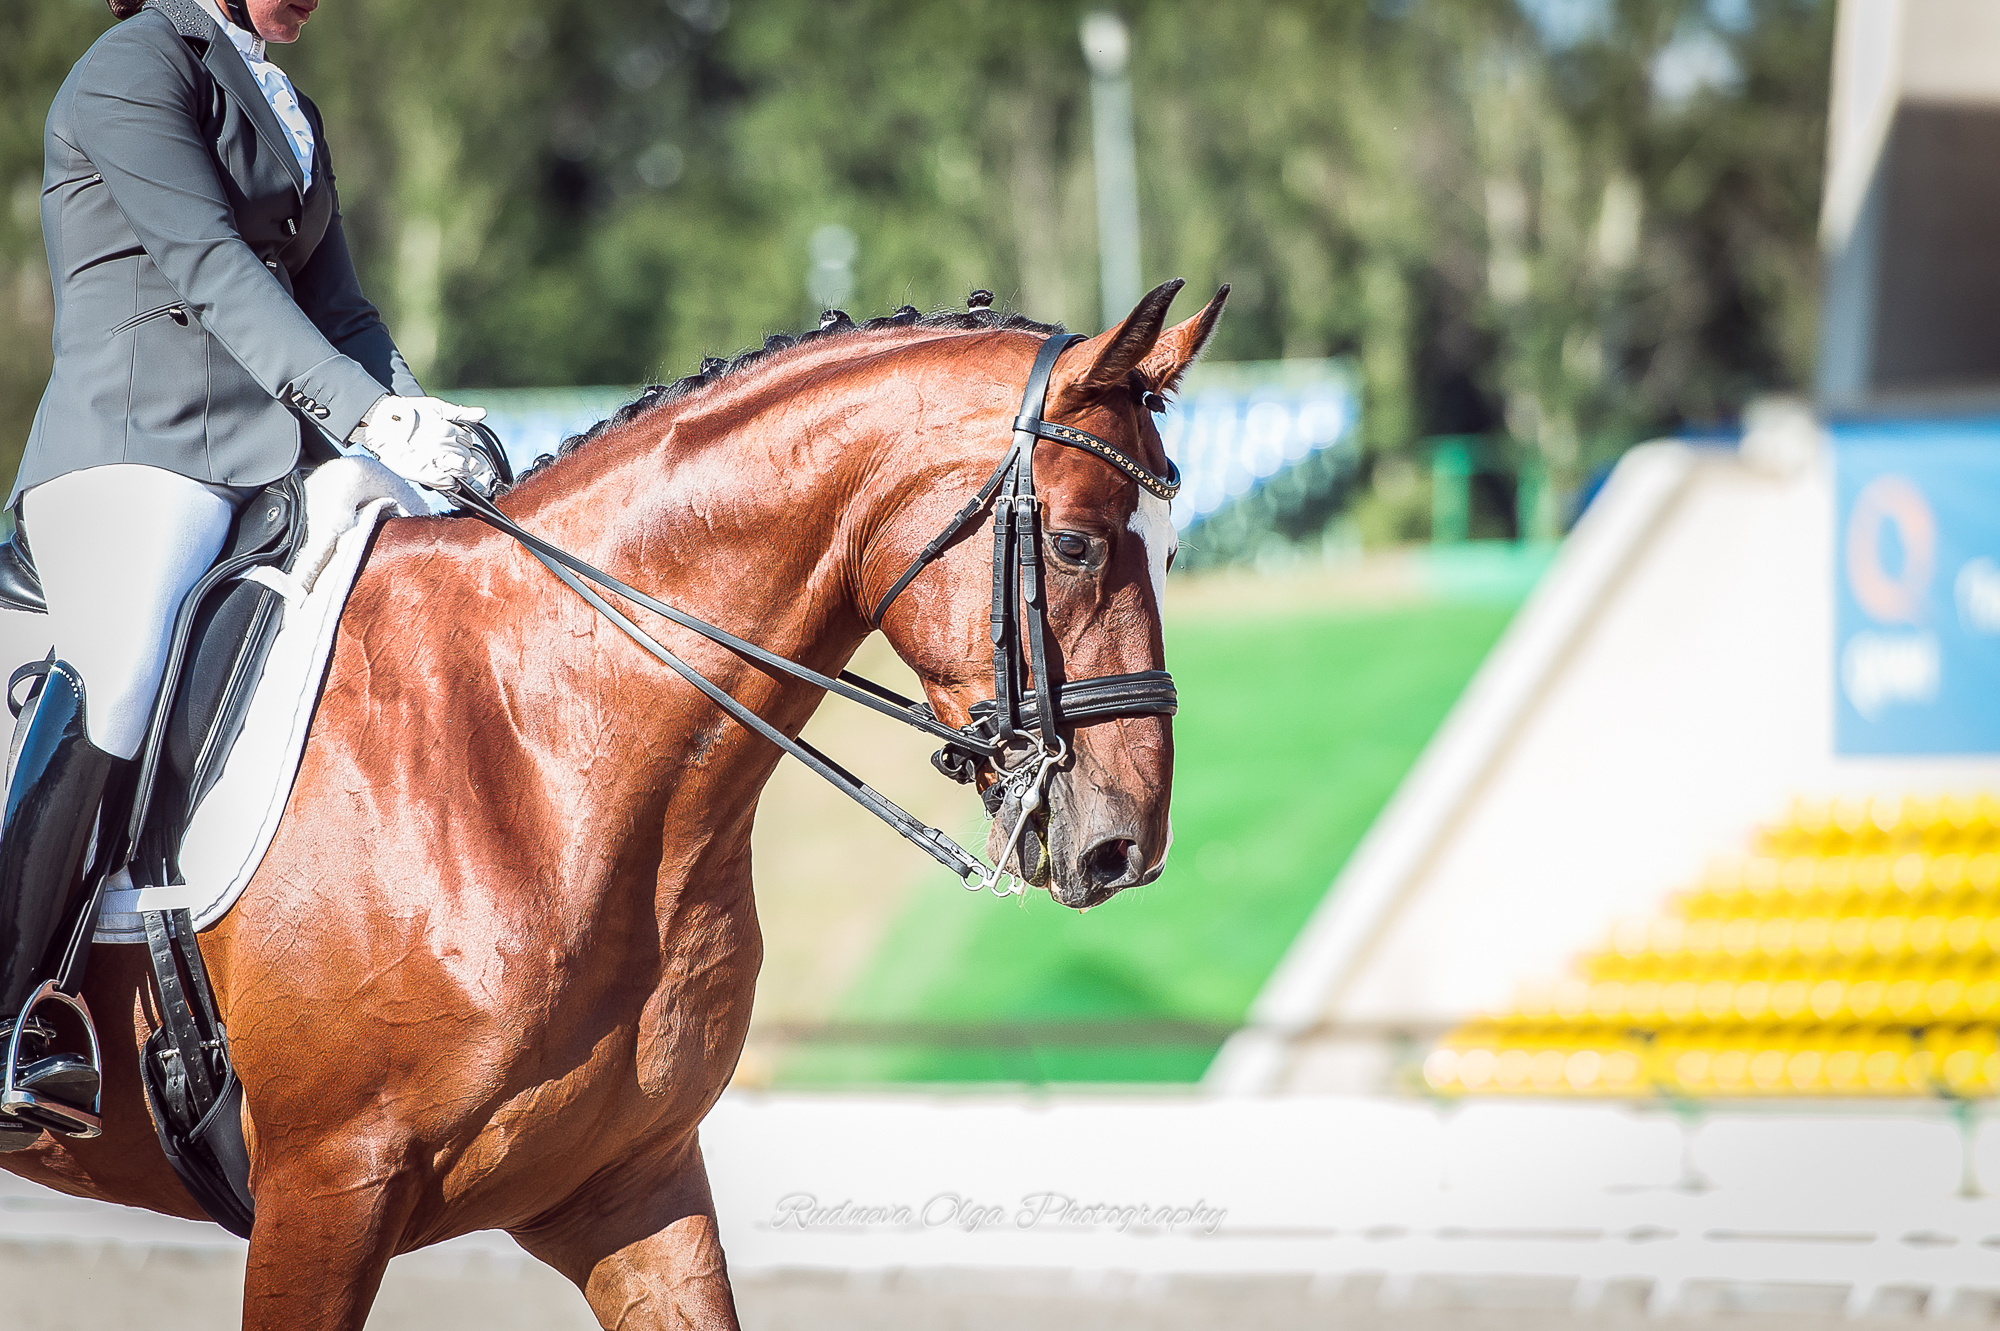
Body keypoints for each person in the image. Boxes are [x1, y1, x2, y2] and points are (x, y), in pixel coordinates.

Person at [0, 0, 494, 1143]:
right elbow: (216, 272)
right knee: (122, 665)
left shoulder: (285, 101)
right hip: (136, 450)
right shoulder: (128, 68)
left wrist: (418, 421)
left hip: (274, 459)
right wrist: (365, 413)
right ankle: (12, 1004)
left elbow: (343, 309)